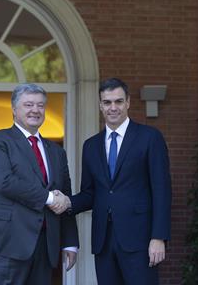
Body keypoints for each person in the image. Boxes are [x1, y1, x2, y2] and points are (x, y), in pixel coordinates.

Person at [51, 78, 172, 285]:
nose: (113, 107)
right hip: (104, 241)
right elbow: (90, 193)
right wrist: (68, 202)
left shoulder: (150, 138)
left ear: (128, 103)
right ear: (100, 105)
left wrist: (158, 237)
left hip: (140, 241)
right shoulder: (91, 146)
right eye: (107, 102)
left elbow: (162, 191)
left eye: (118, 101)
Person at [0, 83, 79, 284]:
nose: (35, 110)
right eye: (28, 104)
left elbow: (65, 195)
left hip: (46, 243)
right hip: (8, 241)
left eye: (40, 105)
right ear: (14, 108)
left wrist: (70, 242)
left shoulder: (56, 151)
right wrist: (48, 198)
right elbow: (5, 182)